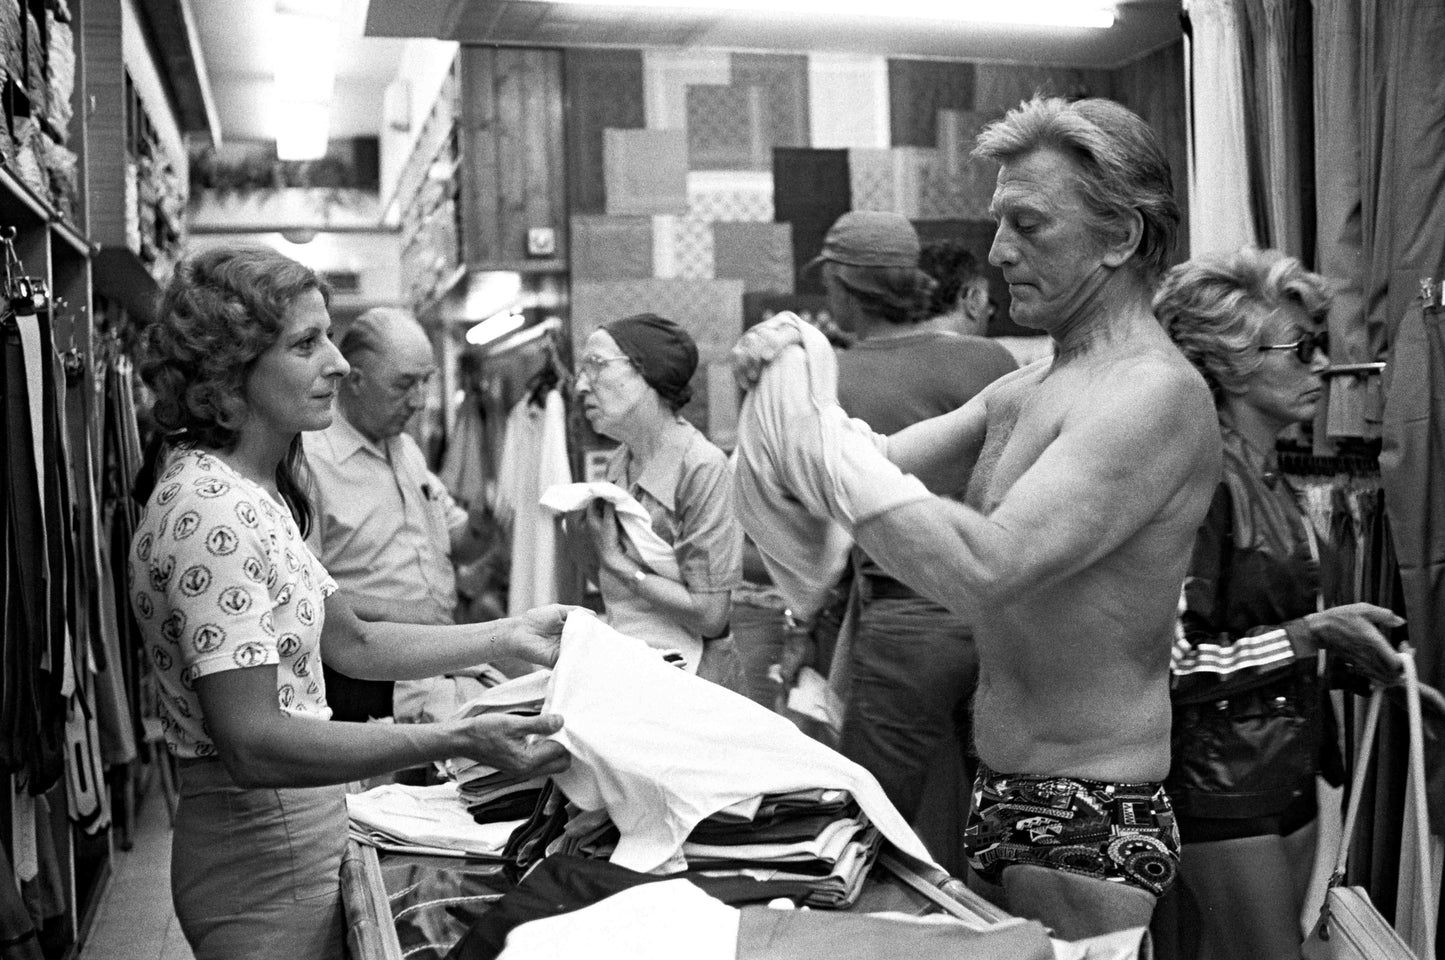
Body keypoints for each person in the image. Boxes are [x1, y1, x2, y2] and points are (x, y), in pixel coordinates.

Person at [732, 95, 1221, 939]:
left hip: (1084, 810)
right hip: (1003, 789)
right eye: (1000, 223)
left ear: (1121, 238)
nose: (997, 254)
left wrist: (817, 432)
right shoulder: (1027, 387)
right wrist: (780, 388)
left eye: (1028, 225)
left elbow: (988, 567)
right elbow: (859, 466)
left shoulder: (1153, 396)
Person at [128, 245, 570, 960]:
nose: (337, 362)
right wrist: (456, 737)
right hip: (261, 860)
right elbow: (253, 742)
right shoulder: (212, 513)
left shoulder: (255, 492)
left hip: (302, 835)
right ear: (227, 372)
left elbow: (353, 641)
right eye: (307, 343)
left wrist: (510, 636)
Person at [1154, 246, 1405, 960]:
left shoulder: (1267, 473)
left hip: (1279, 768)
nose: (1320, 366)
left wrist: (1349, 650)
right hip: (1222, 782)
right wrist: (1314, 634)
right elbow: (1169, 664)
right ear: (1229, 360)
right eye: (1298, 350)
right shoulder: (1200, 477)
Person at [813, 211, 1016, 871]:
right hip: (1001, 612)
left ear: (842, 287)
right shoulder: (989, 360)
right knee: (1002, 820)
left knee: (865, 830)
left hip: (906, 617)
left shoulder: (828, 379)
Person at [303, 307, 494, 724]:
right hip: (367, 679)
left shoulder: (405, 449)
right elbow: (300, 596)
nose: (421, 401)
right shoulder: (310, 463)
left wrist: (490, 514)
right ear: (355, 381)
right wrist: (399, 610)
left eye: (426, 381)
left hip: (435, 656)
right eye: (404, 384)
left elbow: (460, 541)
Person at [573, 313, 744, 689]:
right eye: (582, 369)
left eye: (597, 366)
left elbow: (711, 614)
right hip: (642, 664)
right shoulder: (622, 459)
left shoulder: (701, 467)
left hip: (697, 681)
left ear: (646, 372)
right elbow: (604, 577)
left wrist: (619, 564)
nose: (582, 384)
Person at [919, 239, 997, 337]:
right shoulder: (992, 351)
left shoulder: (896, 350)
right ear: (973, 300)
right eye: (989, 304)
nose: (990, 311)